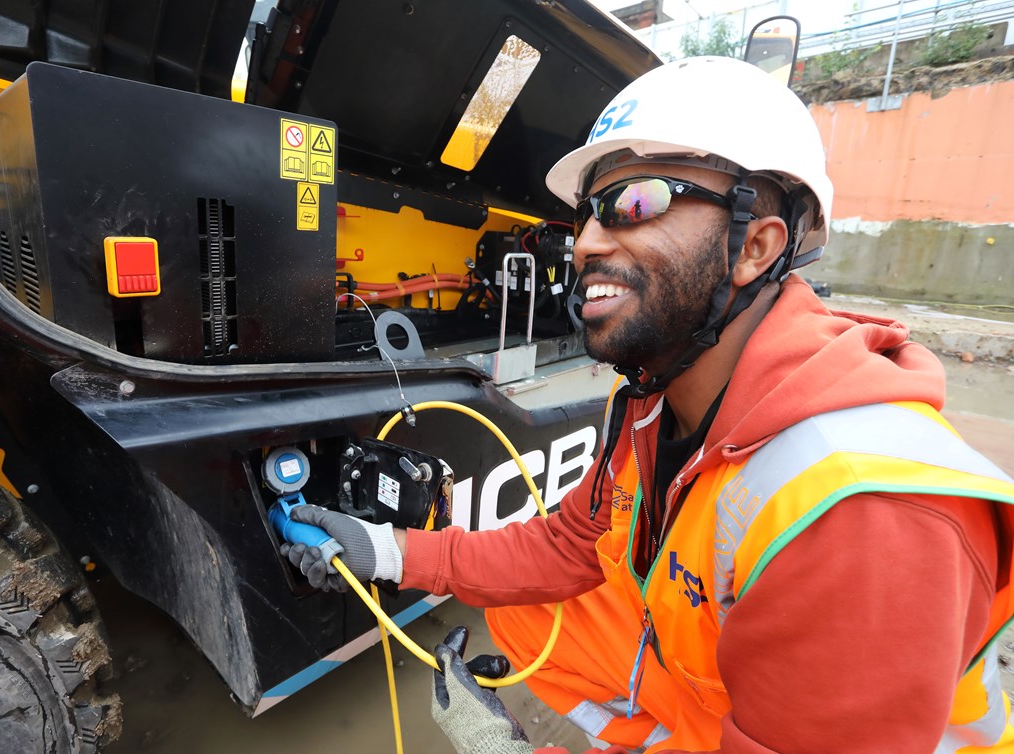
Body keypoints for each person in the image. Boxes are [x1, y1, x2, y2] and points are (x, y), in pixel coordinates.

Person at [283, 56, 1014, 753]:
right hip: (733, 687)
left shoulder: (863, 517)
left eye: (636, 202)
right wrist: (388, 550)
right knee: (526, 607)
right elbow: (568, 546)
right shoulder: (651, 397)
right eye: (587, 214)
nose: (588, 242)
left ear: (755, 246)